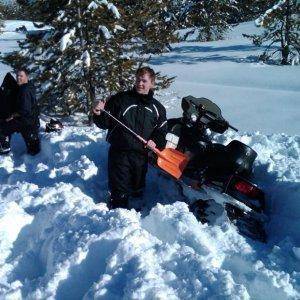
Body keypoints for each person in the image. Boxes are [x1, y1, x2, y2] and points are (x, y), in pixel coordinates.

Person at [93, 67, 167, 209]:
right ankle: (118, 217)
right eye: (138, 79)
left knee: (137, 189)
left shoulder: (157, 108)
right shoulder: (120, 100)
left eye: (144, 81)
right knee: (119, 191)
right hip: (120, 152)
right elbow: (104, 123)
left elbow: (161, 131)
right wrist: (97, 112)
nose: (140, 83)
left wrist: (155, 141)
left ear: (152, 83)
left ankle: (138, 216)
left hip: (141, 155)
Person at [0, 68, 40, 155]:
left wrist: (12, 116)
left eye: (21, 76)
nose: (18, 78)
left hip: (25, 121)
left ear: (27, 77)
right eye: (17, 76)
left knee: (2, 127)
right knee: (33, 149)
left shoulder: (24, 90)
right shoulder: (28, 86)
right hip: (31, 120)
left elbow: (25, 110)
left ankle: (4, 148)